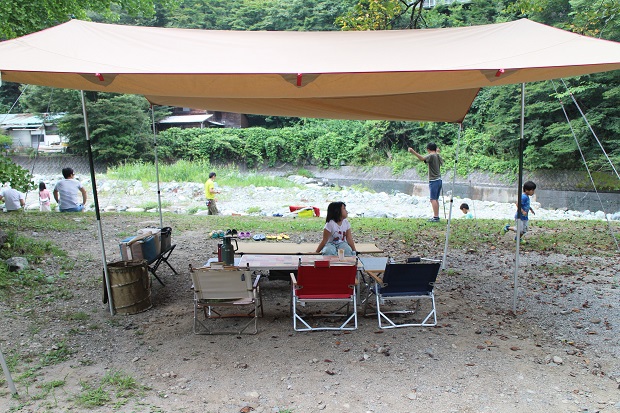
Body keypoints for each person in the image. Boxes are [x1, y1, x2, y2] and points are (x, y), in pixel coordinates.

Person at [408, 142, 444, 222]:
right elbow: (441, 162)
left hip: (433, 180)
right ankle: (436, 216)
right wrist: (437, 152)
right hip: (439, 180)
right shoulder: (437, 155)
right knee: (436, 199)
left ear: (428, 149)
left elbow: (422, 159)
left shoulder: (431, 155)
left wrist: (413, 151)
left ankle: (436, 217)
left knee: (433, 199)